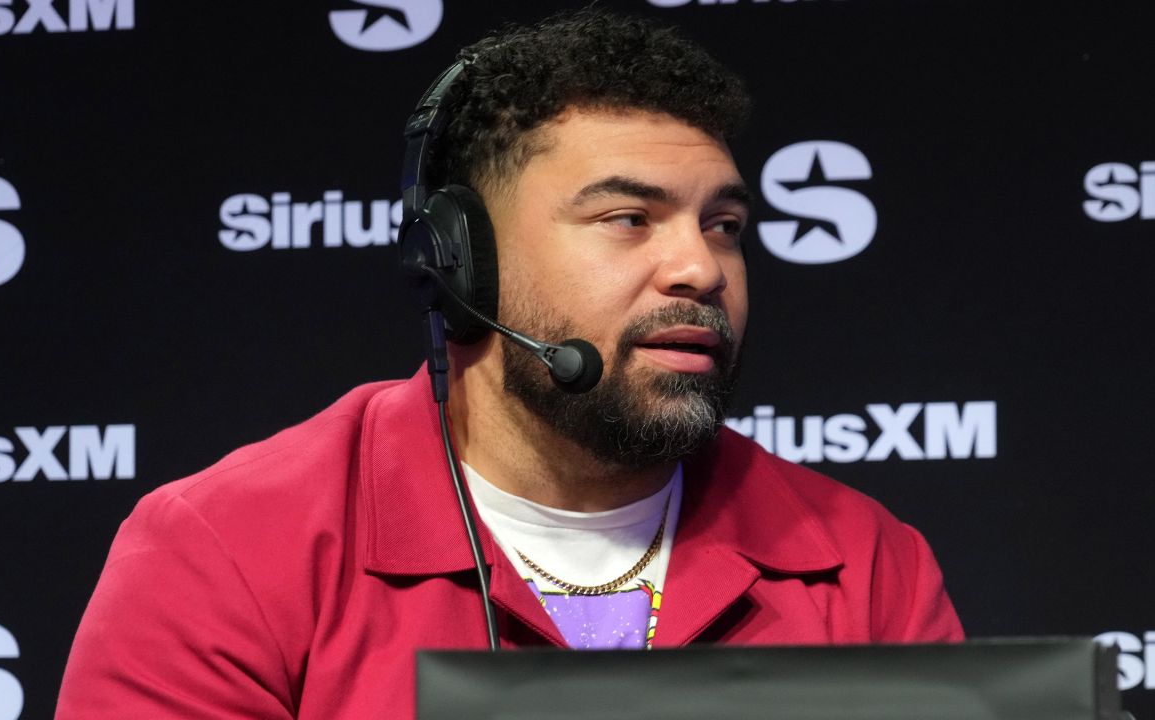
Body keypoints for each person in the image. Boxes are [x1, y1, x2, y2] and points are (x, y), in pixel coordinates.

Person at [56, 9, 962, 719]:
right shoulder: (230, 554)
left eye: (722, 225)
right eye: (628, 219)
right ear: (464, 264)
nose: (700, 267)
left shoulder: (862, 564)